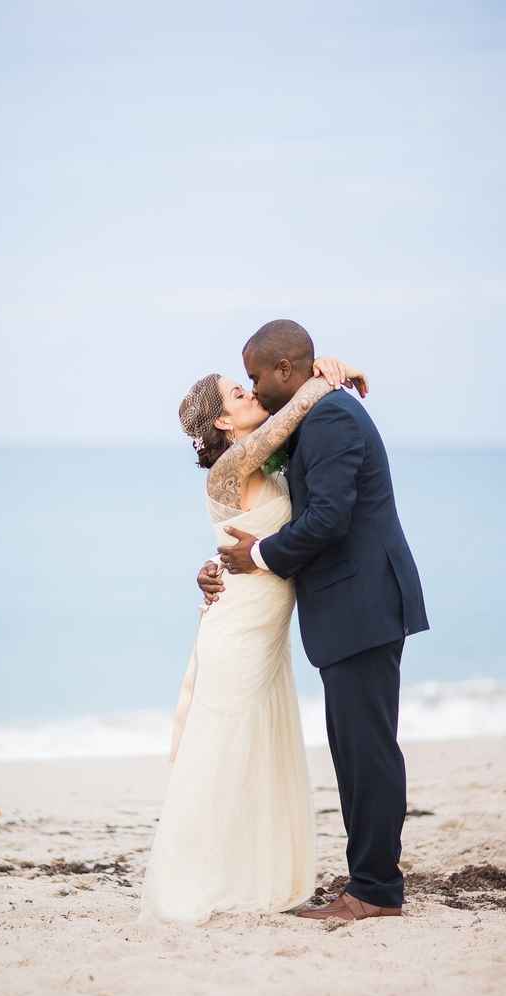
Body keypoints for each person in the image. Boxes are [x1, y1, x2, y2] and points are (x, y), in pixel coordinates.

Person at [197, 319, 429, 922]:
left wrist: (259, 556)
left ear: (282, 371)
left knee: (367, 751)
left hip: (363, 604)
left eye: (254, 376)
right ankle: (368, 880)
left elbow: (328, 517)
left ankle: (375, 889)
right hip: (351, 607)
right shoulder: (314, 417)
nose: (252, 387)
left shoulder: (329, 421)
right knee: (356, 749)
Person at [138, 354, 369, 924]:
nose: (249, 394)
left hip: (266, 634)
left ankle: (256, 875)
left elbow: (247, 536)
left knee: (261, 754)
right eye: (237, 394)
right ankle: (189, 881)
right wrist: (323, 377)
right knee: (219, 754)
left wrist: (324, 370)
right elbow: (288, 417)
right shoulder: (232, 468)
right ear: (221, 422)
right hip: (238, 631)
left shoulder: (269, 467)